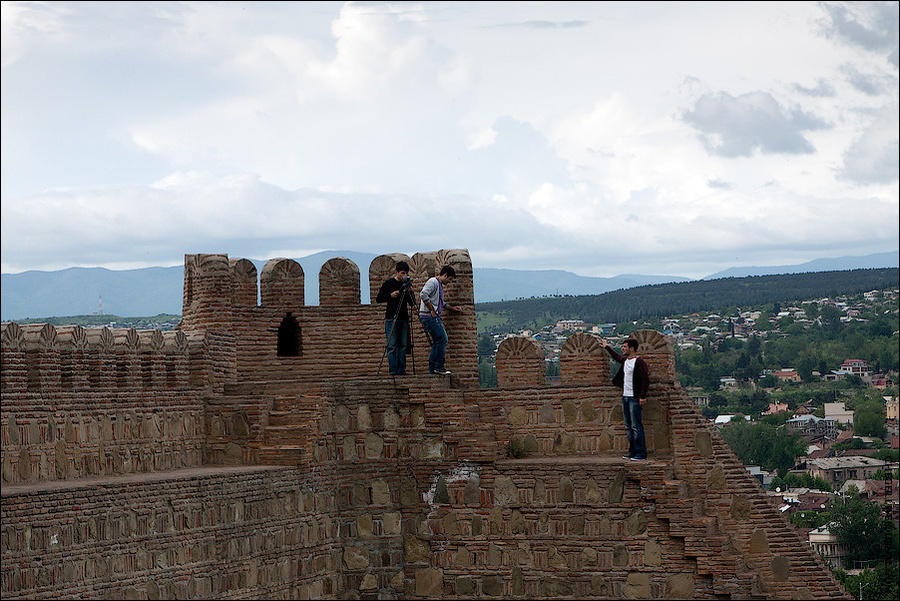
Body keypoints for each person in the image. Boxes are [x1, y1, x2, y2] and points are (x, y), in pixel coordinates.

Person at [599, 337, 650, 461]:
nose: (622, 348)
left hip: (634, 398)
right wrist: (606, 347)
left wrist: (642, 396)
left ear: (631, 349)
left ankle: (641, 453)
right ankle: (632, 451)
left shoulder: (639, 362)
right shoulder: (626, 360)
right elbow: (616, 357)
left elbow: (645, 380)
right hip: (625, 397)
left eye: (625, 346)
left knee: (636, 426)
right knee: (628, 426)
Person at [418, 265, 464, 375]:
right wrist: (431, 310)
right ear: (445, 275)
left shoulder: (439, 285)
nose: (449, 282)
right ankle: (439, 366)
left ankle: (433, 368)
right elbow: (423, 294)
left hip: (431, 316)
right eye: (450, 279)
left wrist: (452, 308)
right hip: (430, 317)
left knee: (437, 341)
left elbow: (440, 302)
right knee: (443, 339)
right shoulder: (433, 282)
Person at [376, 261, 416, 375]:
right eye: (402, 273)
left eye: (406, 274)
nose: (404, 276)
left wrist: (411, 292)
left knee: (403, 345)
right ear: (396, 272)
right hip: (391, 318)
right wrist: (390, 296)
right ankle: (393, 370)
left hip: (403, 318)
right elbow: (379, 299)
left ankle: (401, 370)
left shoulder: (406, 285)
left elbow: (412, 303)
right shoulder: (389, 283)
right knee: (392, 346)